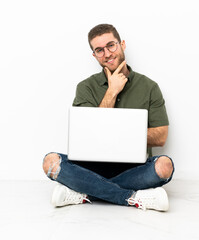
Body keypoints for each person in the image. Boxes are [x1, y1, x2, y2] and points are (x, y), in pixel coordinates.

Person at [42, 24, 174, 211]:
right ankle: (132, 197)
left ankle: (84, 192)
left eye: (111, 45)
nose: (107, 53)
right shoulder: (85, 87)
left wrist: (119, 134)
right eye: (99, 50)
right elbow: (85, 137)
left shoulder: (149, 87)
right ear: (94, 55)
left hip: (134, 169)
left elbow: (161, 137)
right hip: (91, 168)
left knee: (164, 166)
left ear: (122, 44)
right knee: (50, 162)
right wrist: (111, 92)